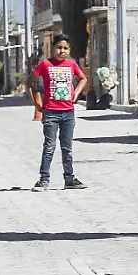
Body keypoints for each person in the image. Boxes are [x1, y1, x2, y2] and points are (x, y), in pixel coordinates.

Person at [27, 34, 90, 192]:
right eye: (59, 47)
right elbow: (29, 82)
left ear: (69, 50)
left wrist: (76, 93)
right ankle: (44, 179)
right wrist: (36, 104)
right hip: (51, 113)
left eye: (65, 48)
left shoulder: (71, 64)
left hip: (68, 113)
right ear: (53, 48)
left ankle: (69, 178)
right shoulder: (45, 64)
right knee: (49, 146)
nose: (62, 51)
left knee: (67, 147)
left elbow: (83, 79)